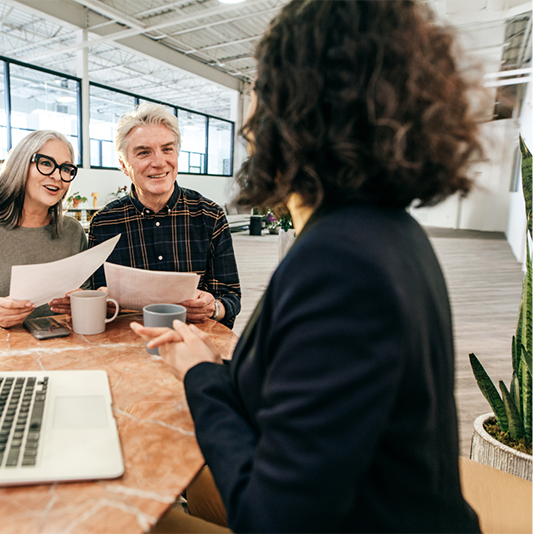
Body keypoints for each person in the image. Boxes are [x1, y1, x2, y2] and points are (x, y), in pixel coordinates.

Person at [132, 0, 484, 532]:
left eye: (257, 91)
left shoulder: (340, 263)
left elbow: (272, 517)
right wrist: (208, 365)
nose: (247, 122)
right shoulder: (381, 231)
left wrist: (201, 375)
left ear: (292, 106)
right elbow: (300, 395)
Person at [82, 103, 242, 329]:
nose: (159, 162)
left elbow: (230, 297)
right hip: (128, 347)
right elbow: (100, 299)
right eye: (144, 152)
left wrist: (214, 307)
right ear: (123, 165)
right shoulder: (104, 224)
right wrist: (101, 302)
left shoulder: (210, 216)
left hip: (195, 346)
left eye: (167, 149)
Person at [0, 130, 87, 329]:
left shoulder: (72, 232)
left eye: (66, 168)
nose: (57, 176)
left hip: (66, 352)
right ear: (20, 165)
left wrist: (80, 304)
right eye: (46, 163)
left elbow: (86, 295)